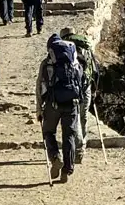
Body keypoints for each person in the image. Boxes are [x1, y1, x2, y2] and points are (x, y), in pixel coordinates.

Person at [36, 33, 84, 182]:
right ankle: (67, 170)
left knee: (48, 131)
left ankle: (56, 157)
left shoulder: (47, 63)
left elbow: (40, 87)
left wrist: (39, 108)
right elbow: (82, 82)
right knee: (69, 135)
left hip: (53, 103)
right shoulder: (75, 62)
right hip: (72, 103)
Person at [59, 27, 99, 163]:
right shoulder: (85, 46)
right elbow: (95, 69)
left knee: (74, 117)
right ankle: (83, 146)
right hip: (86, 86)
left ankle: (78, 147)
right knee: (84, 116)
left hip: (72, 88)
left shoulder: (63, 48)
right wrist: (94, 89)